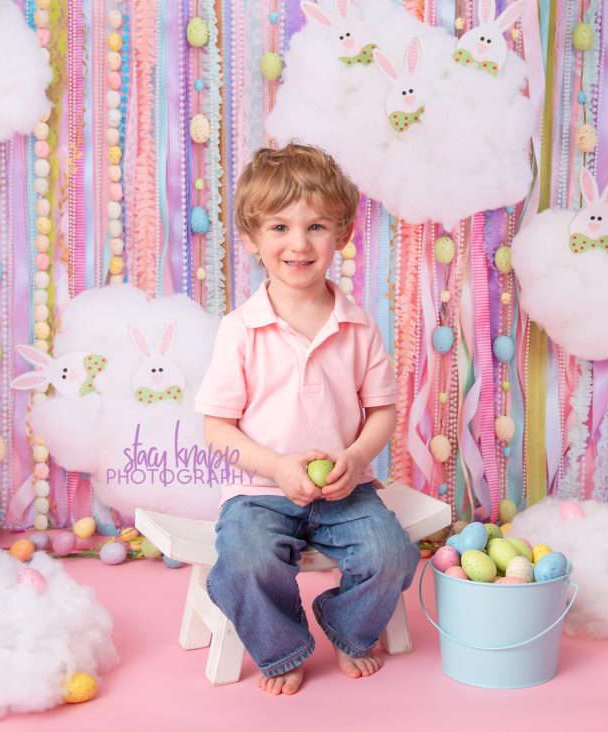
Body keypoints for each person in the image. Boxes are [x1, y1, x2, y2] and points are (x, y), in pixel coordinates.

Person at [194, 143, 419, 696]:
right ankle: (282, 646)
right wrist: (276, 465)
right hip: (257, 491)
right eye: (279, 227)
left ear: (341, 236)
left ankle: (346, 625)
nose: (298, 243)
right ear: (252, 238)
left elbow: (382, 411)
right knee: (243, 562)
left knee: (392, 556)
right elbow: (216, 429)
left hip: (346, 490)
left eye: (316, 226)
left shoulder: (357, 326)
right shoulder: (240, 329)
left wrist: (356, 458)